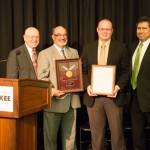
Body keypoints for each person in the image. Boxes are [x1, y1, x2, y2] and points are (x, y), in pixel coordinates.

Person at [81, 19, 129, 150]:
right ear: (97, 30)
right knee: (96, 135)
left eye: (108, 29)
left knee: (117, 133)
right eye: (102, 29)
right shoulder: (88, 47)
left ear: (112, 31)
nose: (105, 31)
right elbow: (83, 71)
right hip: (93, 97)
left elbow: (126, 71)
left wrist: (117, 87)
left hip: (114, 97)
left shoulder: (121, 47)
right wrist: (88, 86)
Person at [37, 26, 81, 150]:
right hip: (54, 102)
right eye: (58, 34)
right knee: (50, 139)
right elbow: (41, 78)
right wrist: (52, 92)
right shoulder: (45, 54)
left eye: (64, 34)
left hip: (72, 102)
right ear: (53, 37)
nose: (62, 37)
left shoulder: (74, 52)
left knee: (70, 139)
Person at [6, 27, 43, 149]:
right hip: (24, 102)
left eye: (36, 37)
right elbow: (11, 81)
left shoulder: (41, 53)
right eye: (31, 36)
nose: (34, 39)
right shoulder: (16, 53)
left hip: (41, 100)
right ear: (24, 37)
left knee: (38, 134)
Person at [130, 16, 150, 150]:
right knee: (137, 133)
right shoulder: (133, 46)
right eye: (138, 28)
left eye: (144, 28)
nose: (140, 31)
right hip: (135, 96)